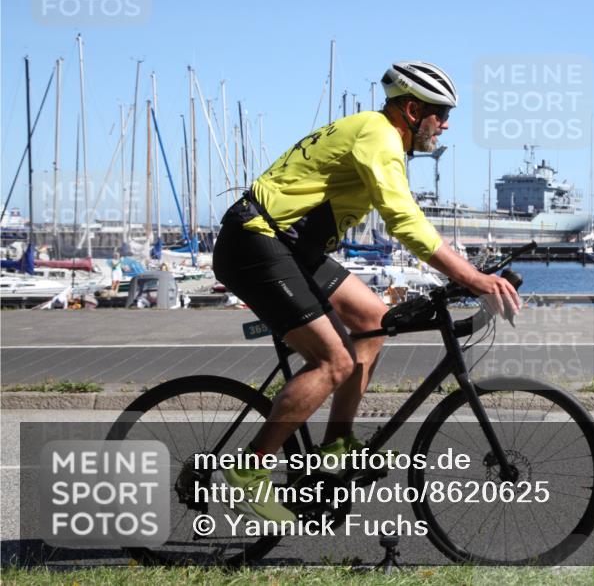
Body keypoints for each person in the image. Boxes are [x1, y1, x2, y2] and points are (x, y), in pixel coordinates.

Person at [211, 61, 520, 522]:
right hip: (257, 242)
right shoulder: (378, 136)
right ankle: (249, 470)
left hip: (291, 247)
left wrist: (469, 272)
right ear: (413, 109)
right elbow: (403, 219)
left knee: (375, 322)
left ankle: (336, 443)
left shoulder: (379, 135)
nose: (446, 124)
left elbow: (404, 216)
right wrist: (472, 278)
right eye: (441, 113)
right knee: (333, 360)